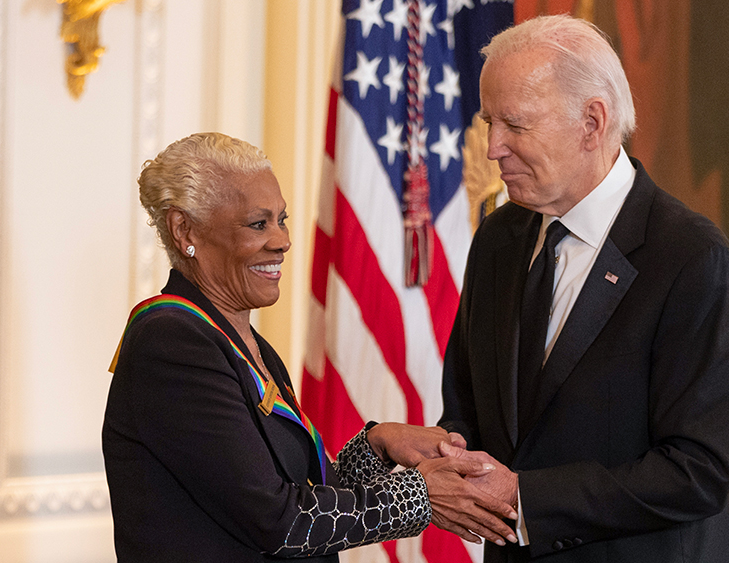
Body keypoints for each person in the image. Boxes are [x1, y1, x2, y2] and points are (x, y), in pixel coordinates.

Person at [102, 132, 518, 562]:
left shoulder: (243, 343)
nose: (282, 240)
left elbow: (304, 498)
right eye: (257, 223)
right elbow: (280, 523)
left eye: (282, 219)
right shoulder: (171, 342)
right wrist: (421, 495)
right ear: (184, 228)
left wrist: (376, 445)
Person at [438, 15, 729, 563]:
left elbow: (697, 471)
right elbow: (468, 408)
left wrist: (525, 498)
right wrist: (447, 457)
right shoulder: (498, 238)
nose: (493, 148)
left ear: (591, 122)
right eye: (490, 121)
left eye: (515, 124)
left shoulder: (691, 259)